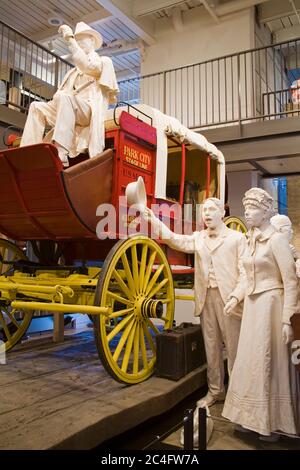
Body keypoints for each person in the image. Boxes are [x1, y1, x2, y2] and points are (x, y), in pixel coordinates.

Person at [143, 197, 246, 407]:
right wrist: (153, 219)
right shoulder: (199, 238)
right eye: (204, 210)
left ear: (222, 213)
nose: (206, 214)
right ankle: (216, 391)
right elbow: (173, 239)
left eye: (211, 210)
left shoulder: (237, 238)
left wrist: (237, 295)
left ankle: (237, 397)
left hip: (230, 299)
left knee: (235, 349)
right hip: (205, 298)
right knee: (211, 347)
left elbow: (246, 273)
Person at [222, 188, 298, 440]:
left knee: (268, 361)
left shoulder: (276, 240)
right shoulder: (250, 239)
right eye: (246, 207)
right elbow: (248, 276)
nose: (246, 212)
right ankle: (248, 417)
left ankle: (273, 422)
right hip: (253, 308)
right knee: (251, 362)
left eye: (252, 207)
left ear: (266, 212)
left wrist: (288, 319)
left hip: (271, 307)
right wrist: (235, 296)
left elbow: (290, 281)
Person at [20, 22, 119, 166]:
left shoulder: (102, 62)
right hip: (68, 108)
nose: (78, 43)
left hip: (88, 110)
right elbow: (59, 97)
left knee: (67, 99)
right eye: (77, 40)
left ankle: (60, 151)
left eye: (81, 39)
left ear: (92, 40)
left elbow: (86, 65)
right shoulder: (72, 73)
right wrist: (56, 100)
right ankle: (28, 152)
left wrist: (70, 39)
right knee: (36, 106)